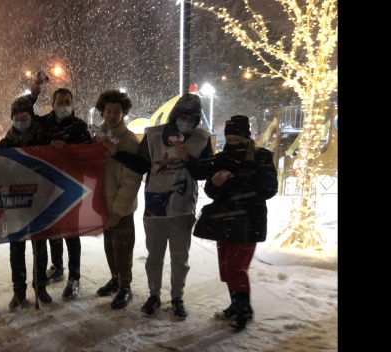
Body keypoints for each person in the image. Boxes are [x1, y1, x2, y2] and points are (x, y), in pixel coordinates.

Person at [108, 93, 213, 320]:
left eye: (192, 118)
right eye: (183, 116)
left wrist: (188, 159)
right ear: (175, 114)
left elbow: (205, 172)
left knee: (180, 258)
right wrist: (118, 154)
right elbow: (141, 165)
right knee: (154, 256)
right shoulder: (154, 135)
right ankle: (153, 294)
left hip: (183, 208)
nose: (186, 121)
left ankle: (177, 298)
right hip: (156, 207)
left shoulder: (201, 138)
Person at [191, 115, 278, 330]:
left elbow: (269, 189)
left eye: (237, 139)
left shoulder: (261, 157)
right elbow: (211, 192)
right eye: (229, 139)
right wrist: (215, 183)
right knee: (226, 266)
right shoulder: (222, 158)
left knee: (236, 267)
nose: (232, 143)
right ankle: (235, 305)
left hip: (249, 220)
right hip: (225, 219)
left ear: (247, 138)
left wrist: (234, 181)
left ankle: (245, 310)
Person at [27, 79, 93, 299]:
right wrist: (32, 96)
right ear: (52, 104)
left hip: (72, 187)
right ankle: (57, 267)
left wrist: (68, 148)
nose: (63, 105)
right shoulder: (43, 124)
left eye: (67, 101)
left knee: (71, 233)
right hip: (47, 186)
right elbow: (25, 116)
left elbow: (88, 154)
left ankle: (74, 277)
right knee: (51, 230)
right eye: (60, 101)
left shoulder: (80, 127)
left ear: (73, 104)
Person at [0, 96, 53, 309]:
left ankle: (41, 286)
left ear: (31, 115)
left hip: (40, 201)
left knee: (40, 246)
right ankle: (18, 290)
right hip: (16, 203)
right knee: (16, 248)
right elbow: (0, 171)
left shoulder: (44, 138)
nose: (20, 117)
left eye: (24, 113)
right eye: (16, 114)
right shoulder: (6, 143)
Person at [93, 89, 143, 310]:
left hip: (120, 207)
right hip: (104, 204)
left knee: (122, 248)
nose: (112, 115)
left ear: (123, 114)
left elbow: (131, 181)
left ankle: (125, 286)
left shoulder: (129, 140)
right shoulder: (100, 136)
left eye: (117, 111)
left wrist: (118, 211)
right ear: (102, 112)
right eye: (108, 111)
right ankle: (115, 278)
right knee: (109, 246)